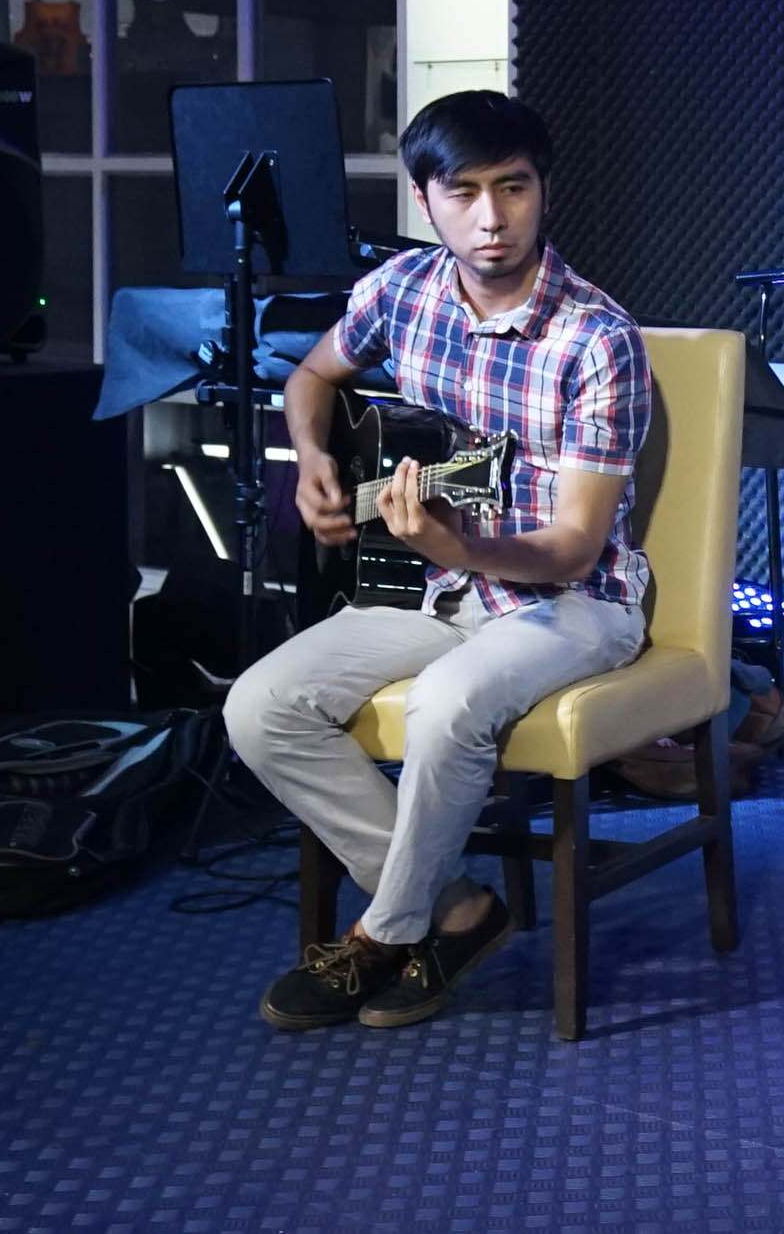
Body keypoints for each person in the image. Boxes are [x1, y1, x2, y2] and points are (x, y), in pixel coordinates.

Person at [223, 91, 652, 1033]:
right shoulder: (402, 290)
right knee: (259, 705)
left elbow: (576, 545)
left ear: (544, 191)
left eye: (514, 187)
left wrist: (457, 545)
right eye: (464, 192)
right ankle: (455, 907)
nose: (492, 216)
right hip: (441, 587)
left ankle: (383, 932)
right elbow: (312, 374)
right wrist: (312, 457)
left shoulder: (598, 338)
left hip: (576, 600)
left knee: (447, 700)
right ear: (425, 201)